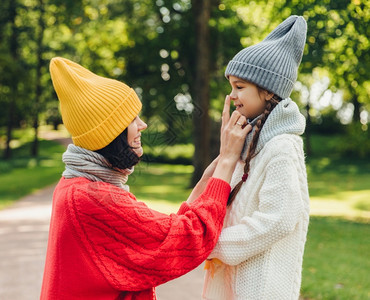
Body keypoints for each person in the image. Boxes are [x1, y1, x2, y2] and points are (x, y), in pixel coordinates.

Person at [40, 57, 252, 300]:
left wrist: (213, 171)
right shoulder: (92, 198)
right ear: (110, 133)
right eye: (132, 119)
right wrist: (226, 162)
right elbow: (186, 239)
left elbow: (167, 232)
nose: (142, 125)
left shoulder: (74, 185)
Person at [202, 15, 310, 300]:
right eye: (231, 87)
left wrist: (217, 244)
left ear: (267, 90)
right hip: (232, 283)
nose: (232, 96)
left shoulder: (282, 147)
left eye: (240, 87)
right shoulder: (250, 143)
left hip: (260, 288)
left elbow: (279, 219)